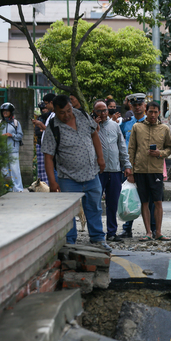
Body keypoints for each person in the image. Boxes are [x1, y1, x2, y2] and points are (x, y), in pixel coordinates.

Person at [42, 95, 111, 252]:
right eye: (62, 113)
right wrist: (52, 182)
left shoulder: (82, 115)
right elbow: (48, 156)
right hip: (68, 178)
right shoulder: (53, 127)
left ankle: (98, 239)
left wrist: (100, 158)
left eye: (68, 111)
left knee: (94, 208)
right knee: (68, 213)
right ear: (55, 110)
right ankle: (70, 242)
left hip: (91, 173)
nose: (66, 115)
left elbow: (94, 134)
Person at [128, 102, 171, 241]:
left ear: (159, 112)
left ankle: (158, 232)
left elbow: (170, 148)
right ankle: (148, 232)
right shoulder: (137, 127)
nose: (153, 115)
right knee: (144, 202)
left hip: (156, 170)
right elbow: (131, 149)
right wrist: (130, 170)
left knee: (158, 201)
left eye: (155, 112)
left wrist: (159, 153)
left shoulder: (164, 128)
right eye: (150, 112)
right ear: (145, 112)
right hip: (140, 170)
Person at [118, 93, 156, 238]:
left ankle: (152, 229)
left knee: (151, 199)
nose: (138, 108)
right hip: (129, 166)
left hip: (147, 166)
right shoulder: (126, 123)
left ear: (145, 106)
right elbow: (121, 144)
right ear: (130, 106)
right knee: (129, 197)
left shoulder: (151, 122)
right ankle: (127, 228)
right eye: (134, 105)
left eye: (140, 105)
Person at [94, 100, 133, 242]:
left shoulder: (114, 126)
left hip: (115, 170)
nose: (103, 113)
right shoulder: (91, 127)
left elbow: (122, 147)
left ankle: (111, 232)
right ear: (94, 112)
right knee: (96, 203)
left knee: (113, 203)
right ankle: (97, 233)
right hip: (98, 171)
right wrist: (95, 128)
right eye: (99, 111)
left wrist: (127, 165)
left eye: (105, 110)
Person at [0, 102, 24, 192]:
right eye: (3, 111)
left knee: (15, 169)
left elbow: (20, 135)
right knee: (4, 170)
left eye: (7, 111)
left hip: (13, 150)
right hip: (2, 150)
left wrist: (11, 135)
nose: (5, 112)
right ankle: (7, 189)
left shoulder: (16, 123)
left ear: (11, 112)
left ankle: (18, 189)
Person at [32, 93, 56, 183]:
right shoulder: (51, 115)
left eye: (46, 104)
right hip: (46, 147)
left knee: (53, 171)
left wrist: (41, 125)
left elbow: (53, 131)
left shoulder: (55, 115)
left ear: (51, 102)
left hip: (51, 148)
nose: (45, 106)